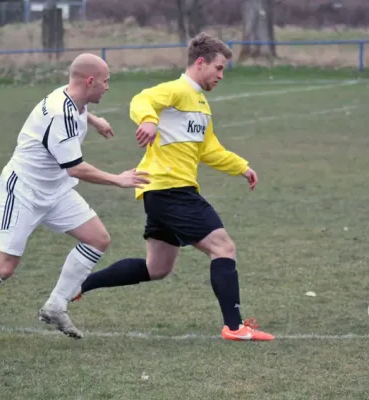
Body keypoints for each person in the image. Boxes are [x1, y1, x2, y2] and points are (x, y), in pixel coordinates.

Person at [0, 53, 150, 350]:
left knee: (97, 239)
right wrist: (118, 179)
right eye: (105, 81)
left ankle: (55, 305)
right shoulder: (59, 112)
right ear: (90, 81)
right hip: (23, 190)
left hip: (56, 190)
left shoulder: (75, 100)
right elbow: (75, 167)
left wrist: (94, 119)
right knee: (4, 267)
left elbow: (75, 111)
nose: (108, 87)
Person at [71, 32, 274, 341]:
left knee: (157, 267)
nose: (221, 75)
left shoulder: (201, 104)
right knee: (223, 247)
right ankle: (234, 327)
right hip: (171, 189)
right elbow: (142, 100)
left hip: (162, 192)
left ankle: (81, 284)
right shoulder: (177, 90)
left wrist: (241, 167)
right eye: (219, 68)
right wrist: (149, 121)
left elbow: (208, 150)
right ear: (201, 63)